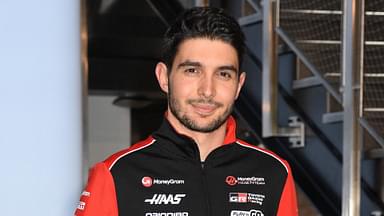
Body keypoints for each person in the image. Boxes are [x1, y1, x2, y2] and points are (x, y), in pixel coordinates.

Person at [75, 7, 298, 216]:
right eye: (192, 70)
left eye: (223, 74)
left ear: (239, 85)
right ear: (164, 77)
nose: (207, 91)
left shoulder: (274, 172)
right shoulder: (117, 174)